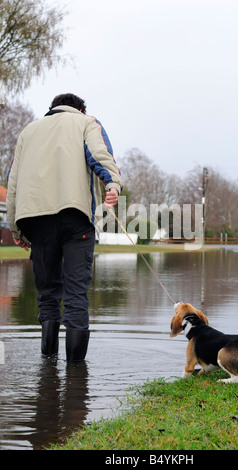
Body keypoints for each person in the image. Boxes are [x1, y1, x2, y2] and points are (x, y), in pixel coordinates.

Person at [6, 93, 123, 362]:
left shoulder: (28, 131)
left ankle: (48, 366)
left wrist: (16, 229)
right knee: (75, 294)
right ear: (80, 109)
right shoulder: (86, 122)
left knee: (47, 296)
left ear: (53, 108)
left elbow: (13, 182)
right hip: (75, 218)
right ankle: (76, 374)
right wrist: (113, 185)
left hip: (36, 221)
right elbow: (100, 155)